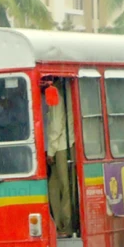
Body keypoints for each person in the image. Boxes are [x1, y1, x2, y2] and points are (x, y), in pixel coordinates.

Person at [46, 79, 75, 238]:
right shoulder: (63, 90)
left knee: (63, 187)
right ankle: (60, 224)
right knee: (57, 186)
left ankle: (65, 224)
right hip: (62, 144)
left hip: (60, 146)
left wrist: (50, 150)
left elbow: (56, 125)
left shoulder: (54, 93)